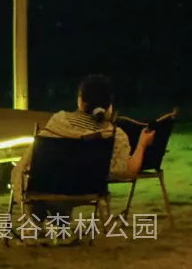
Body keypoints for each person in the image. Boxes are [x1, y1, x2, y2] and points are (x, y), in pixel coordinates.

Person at [10, 75, 155, 229]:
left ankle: (43, 219)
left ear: (80, 100)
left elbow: (35, 157)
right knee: (69, 182)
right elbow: (125, 172)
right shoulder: (113, 135)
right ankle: (58, 219)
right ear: (109, 106)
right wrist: (142, 144)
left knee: (53, 178)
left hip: (45, 187)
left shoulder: (58, 122)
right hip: (86, 190)